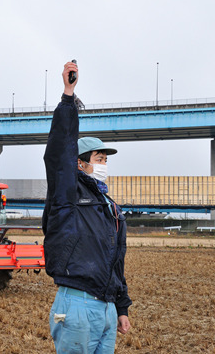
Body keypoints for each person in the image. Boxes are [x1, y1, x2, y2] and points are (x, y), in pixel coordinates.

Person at [42, 61, 132, 353]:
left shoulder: (111, 208)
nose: (103, 165)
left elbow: (116, 260)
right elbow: (59, 152)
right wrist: (68, 97)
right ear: (80, 163)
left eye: (106, 160)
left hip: (106, 310)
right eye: (99, 159)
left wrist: (121, 307)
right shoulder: (68, 194)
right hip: (77, 305)